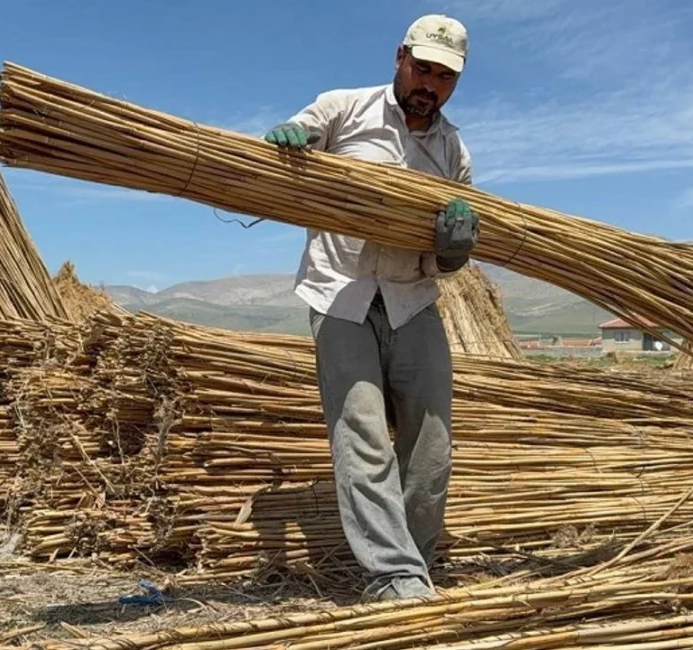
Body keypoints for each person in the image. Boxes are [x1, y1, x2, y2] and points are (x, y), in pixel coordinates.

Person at [262, 14, 480, 601]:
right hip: (342, 296)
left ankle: (415, 559)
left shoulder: (454, 152)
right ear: (400, 57)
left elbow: (446, 260)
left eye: (444, 76)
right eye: (422, 68)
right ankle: (394, 576)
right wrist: (289, 140)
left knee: (431, 447)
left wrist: (453, 252)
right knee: (360, 435)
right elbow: (294, 140)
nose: (429, 84)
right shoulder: (344, 109)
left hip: (413, 300)